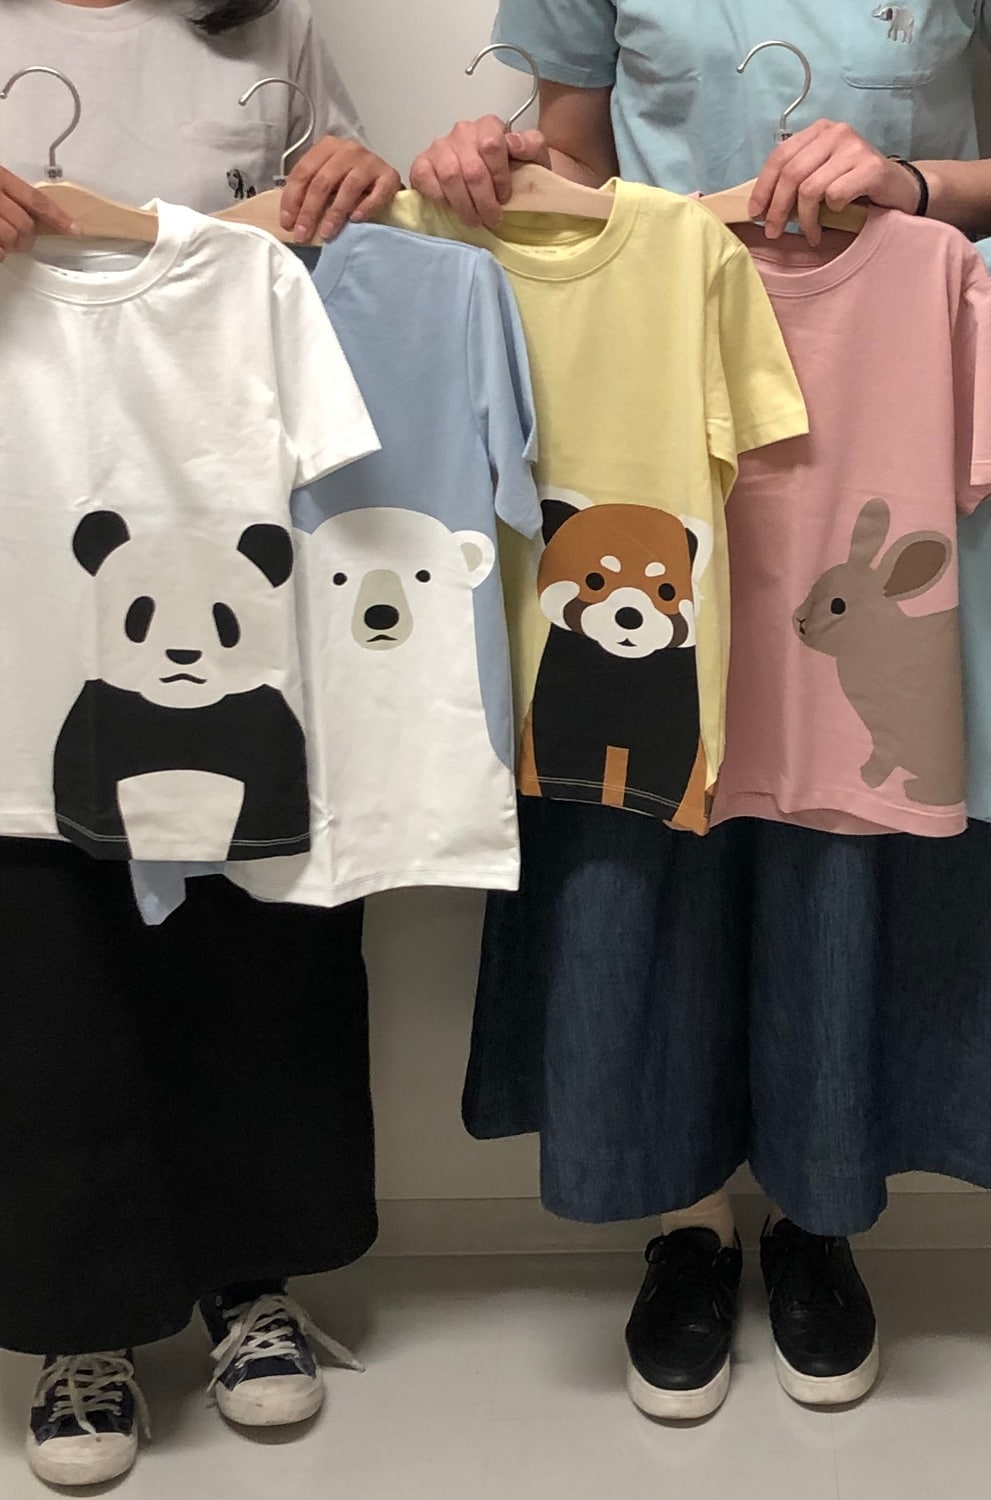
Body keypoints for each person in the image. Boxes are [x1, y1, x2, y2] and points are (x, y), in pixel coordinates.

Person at [411, 0, 991, 1424]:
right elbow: (575, 157)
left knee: (843, 812)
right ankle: (681, 1221)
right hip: (639, 383)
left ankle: (820, 1211)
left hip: (875, 363)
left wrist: (915, 183)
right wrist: (503, 172)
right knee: (648, 795)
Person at [0, 0, 400, 1487]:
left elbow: (349, 226)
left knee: (255, 921)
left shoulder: (268, 25)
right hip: (27, 518)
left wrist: (360, 179)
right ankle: (77, 1321)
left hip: (225, 532)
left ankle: (253, 1279)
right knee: (44, 949)